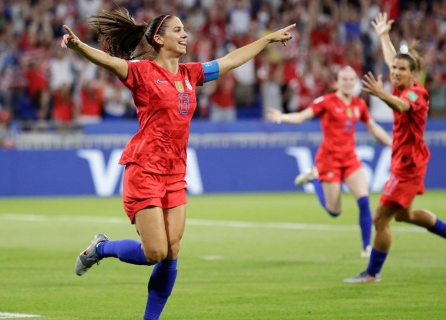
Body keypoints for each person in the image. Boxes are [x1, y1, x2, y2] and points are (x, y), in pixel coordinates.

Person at [61, 8, 295, 319]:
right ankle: (101, 248)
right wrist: (79, 47)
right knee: (154, 252)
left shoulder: (191, 74)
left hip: (175, 173)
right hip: (144, 169)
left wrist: (266, 39)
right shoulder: (142, 71)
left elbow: (231, 60)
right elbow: (111, 62)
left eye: (185, 29)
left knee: (172, 252)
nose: (185, 34)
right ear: (159, 38)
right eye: (178, 30)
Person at [344, 12, 446, 283]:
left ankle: (372, 272)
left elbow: (401, 105)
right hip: (405, 160)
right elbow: (393, 60)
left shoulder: (415, 93)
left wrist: (381, 94)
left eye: (402, 70)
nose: (396, 72)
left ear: (414, 74)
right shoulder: (401, 82)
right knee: (405, 215)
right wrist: (383, 36)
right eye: (395, 70)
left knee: (380, 219)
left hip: (408, 165)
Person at [266, 66, 393, 258]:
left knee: (364, 201)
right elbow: (302, 116)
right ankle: (315, 177)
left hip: (350, 160)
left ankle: (367, 246)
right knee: (335, 211)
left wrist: (393, 144)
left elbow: (373, 128)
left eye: (351, 79)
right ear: (337, 82)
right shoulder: (326, 102)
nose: (348, 82)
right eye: (344, 79)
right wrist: (282, 117)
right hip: (329, 161)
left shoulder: (359, 105)